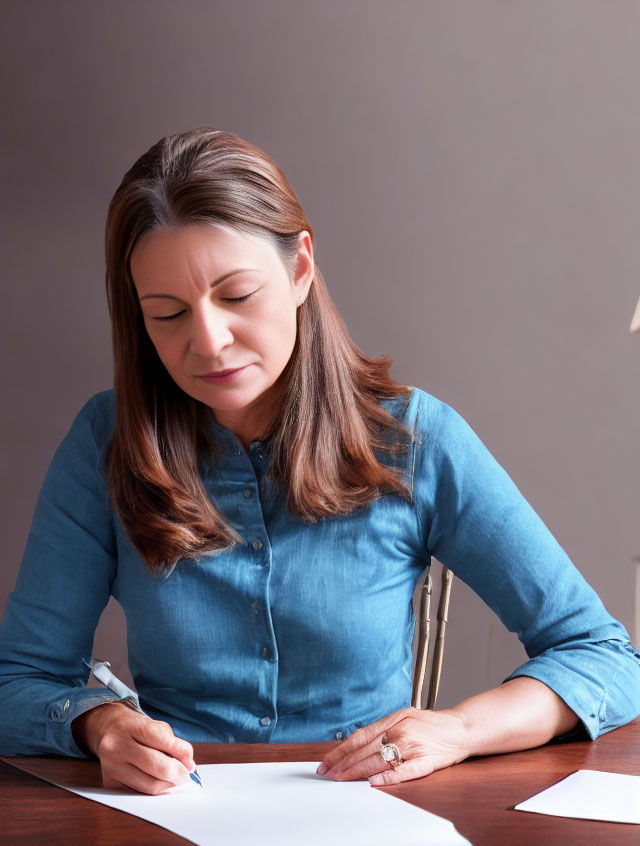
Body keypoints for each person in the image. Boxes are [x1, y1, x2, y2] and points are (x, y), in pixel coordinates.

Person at [1, 127, 638, 795]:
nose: (209, 343)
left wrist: (457, 729)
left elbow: (604, 659)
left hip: (370, 826)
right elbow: (19, 682)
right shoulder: (106, 442)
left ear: (300, 267)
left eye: (237, 296)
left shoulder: (416, 438)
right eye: (167, 314)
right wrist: (97, 724)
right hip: (174, 824)